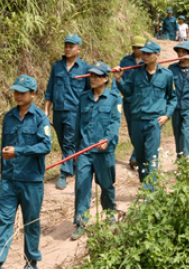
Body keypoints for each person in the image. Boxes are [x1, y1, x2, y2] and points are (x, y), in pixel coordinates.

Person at [0, 75, 52, 269]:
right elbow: (3, 150)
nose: (18, 96)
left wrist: (18, 151)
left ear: (33, 94)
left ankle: (31, 262)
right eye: (16, 92)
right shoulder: (9, 117)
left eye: (22, 93)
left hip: (31, 181)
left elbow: (46, 146)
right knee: (4, 221)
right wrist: (2, 176)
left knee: (31, 223)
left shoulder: (40, 119)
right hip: (9, 181)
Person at [113, 40, 177, 191]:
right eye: (143, 53)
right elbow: (127, 92)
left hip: (154, 122)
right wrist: (119, 80)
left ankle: (150, 193)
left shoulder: (166, 75)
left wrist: (167, 115)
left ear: (157, 55)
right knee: (140, 157)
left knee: (151, 157)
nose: (144, 56)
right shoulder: (135, 73)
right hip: (137, 121)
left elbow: (173, 98)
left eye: (148, 54)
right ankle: (145, 185)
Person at [72, 62, 122, 240]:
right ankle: (80, 223)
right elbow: (78, 125)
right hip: (85, 150)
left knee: (107, 186)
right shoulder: (83, 98)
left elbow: (115, 123)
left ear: (106, 79)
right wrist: (76, 151)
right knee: (82, 187)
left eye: (97, 76)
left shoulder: (114, 98)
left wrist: (107, 140)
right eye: (91, 75)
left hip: (104, 152)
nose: (92, 78)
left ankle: (109, 215)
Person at [44, 33, 91, 190]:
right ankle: (73, 164)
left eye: (71, 46)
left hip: (74, 112)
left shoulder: (85, 69)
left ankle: (64, 173)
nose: (68, 48)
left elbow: (90, 92)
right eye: (66, 45)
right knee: (63, 140)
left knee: (68, 141)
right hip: (58, 111)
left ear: (79, 49)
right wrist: (46, 110)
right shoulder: (57, 66)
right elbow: (50, 88)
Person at [112, 36, 146, 169]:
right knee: (132, 131)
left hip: (143, 102)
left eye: (139, 47)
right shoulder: (125, 61)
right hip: (129, 100)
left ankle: (137, 156)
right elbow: (117, 79)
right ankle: (136, 153)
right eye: (134, 47)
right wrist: (114, 96)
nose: (136, 50)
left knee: (142, 130)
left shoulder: (147, 61)